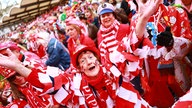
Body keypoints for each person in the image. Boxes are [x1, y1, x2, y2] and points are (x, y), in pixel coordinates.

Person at [0, 44, 152, 108]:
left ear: (98, 60)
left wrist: (144, 18)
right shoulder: (75, 84)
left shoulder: (114, 69)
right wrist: (18, 67)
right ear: (80, 69)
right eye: (82, 61)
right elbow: (51, 82)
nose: (88, 62)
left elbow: (131, 48)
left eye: (90, 57)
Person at [96, 1, 160, 96]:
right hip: (116, 74)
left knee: (138, 94)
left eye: (108, 14)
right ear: (100, 19)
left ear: (114, 16)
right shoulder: (99, 34)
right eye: (103, 16)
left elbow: (136, 42)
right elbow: (103, 55)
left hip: (132, 70)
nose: (106, 18)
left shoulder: (124, 28)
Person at [0, 41, 51, 107]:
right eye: (2, 55)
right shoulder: (12, 66)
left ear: (17, 51)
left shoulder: (31, 61)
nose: (6, 58)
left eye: (6, 54)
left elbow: (47, 81)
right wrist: (4, 95)